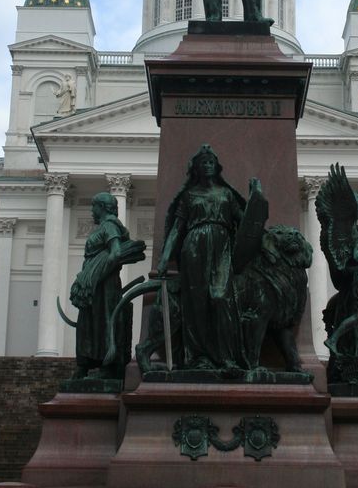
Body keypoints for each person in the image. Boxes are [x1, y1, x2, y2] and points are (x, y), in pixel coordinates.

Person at [157, 144, 246, 370]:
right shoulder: (189, 195)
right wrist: (164, 259)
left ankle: (226, 357)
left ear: (216, 167)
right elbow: (177, 228)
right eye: (203, 163)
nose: (207, 166)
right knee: (196, 304)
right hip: (194, 247)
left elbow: (244, 221)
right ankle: (199, 357)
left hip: (221, 246)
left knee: (220, 297)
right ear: (196, 168)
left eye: (211, 162)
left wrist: (256, 201)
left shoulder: (226, 194)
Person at [69, 192, 145, 378]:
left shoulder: (110, 225)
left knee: (104, 321)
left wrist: (96, 273)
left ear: (102, 207)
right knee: (89, 323)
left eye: (94, 206)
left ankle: (107, 367)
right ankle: (85, 365)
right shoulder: (104, 226)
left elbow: (116, 253)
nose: (91, 210)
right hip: (96, 285)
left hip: (104, 284)